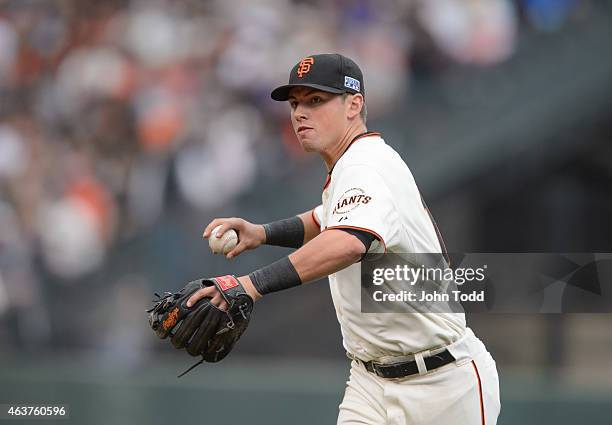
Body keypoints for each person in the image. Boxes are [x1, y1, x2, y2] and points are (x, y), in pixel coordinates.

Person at [186, 53, 500, 425]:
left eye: (315, 101)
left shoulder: (366, 165)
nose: (300, 113)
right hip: (369, 383)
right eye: (295, 103)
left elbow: (349, 242)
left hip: (443, 385)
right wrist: (262, 233)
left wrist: (251, 285)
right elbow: (325, 222)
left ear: (355, 105)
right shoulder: (351, 164)